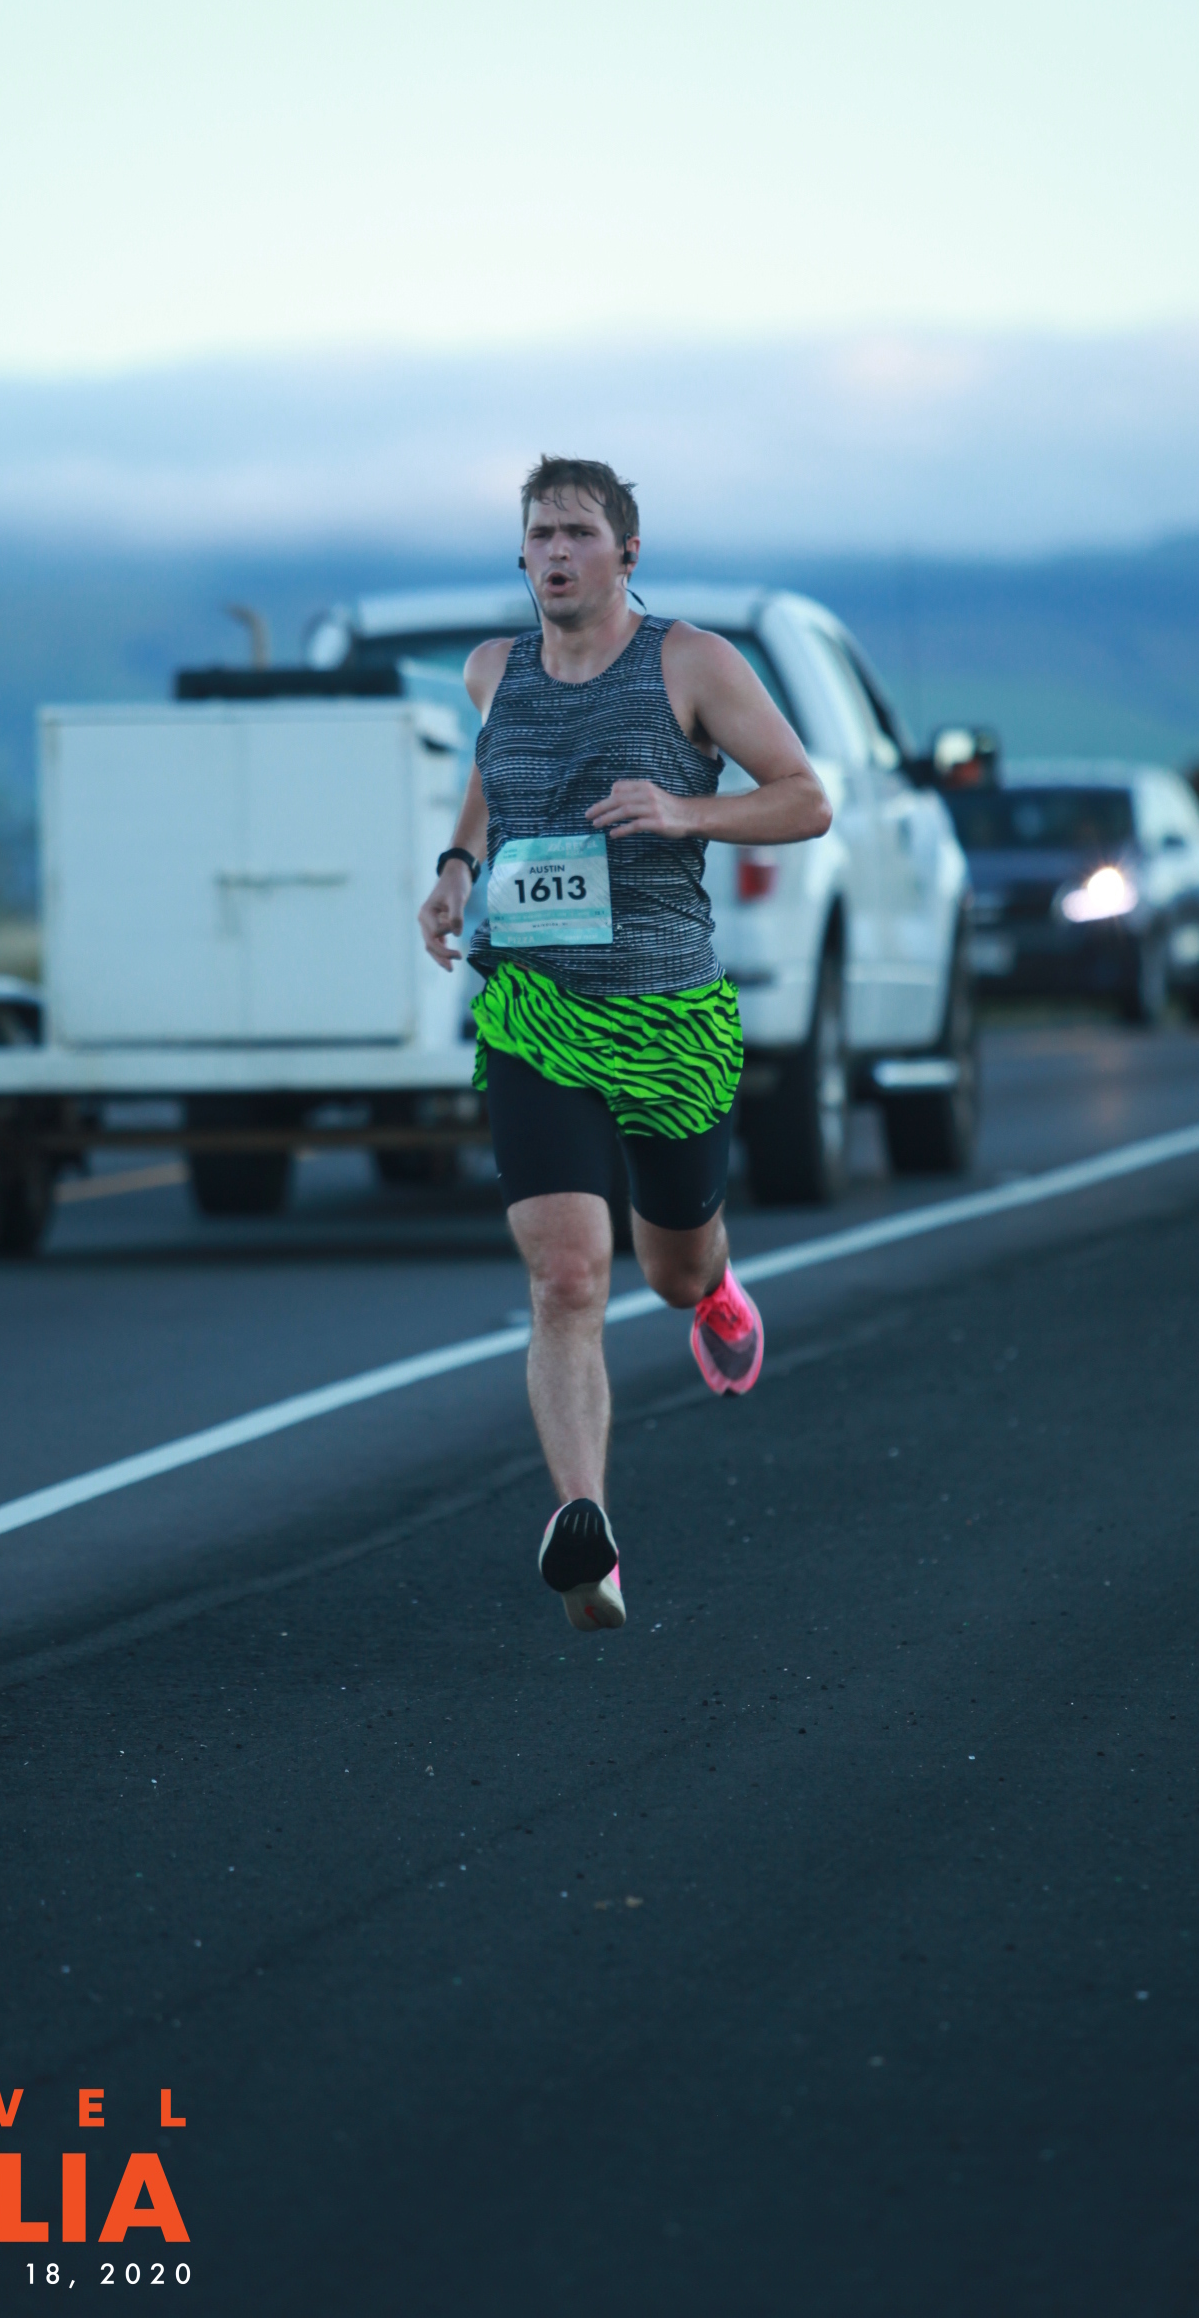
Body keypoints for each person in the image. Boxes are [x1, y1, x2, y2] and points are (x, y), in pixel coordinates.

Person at [417, 457, 831, 1631]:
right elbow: (496, 774)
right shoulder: (493, 671)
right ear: (521, 554)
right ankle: (586, 1534)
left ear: (625, 553)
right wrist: (456, 868)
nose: (554, 552)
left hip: (666, 1017)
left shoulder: (691, 664)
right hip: (535, 1011)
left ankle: (715, 1288)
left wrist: (683, 809)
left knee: (671, 1272)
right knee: (564, 1278)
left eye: (577, 533)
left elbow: (805, 798)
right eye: (538, 534)